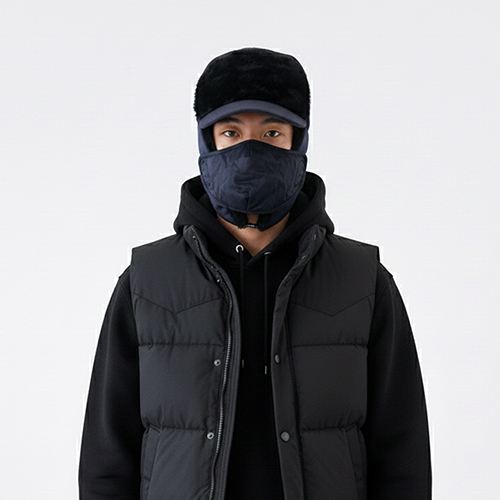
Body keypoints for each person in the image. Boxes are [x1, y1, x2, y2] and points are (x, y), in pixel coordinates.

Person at [79, 48, 432, 500]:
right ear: (207, 143)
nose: (250, 151)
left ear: (297, 142)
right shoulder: (147, 282)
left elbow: (402, 455)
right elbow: (107, 460)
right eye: (231, 132)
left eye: (271, 132)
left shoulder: (362, 281)